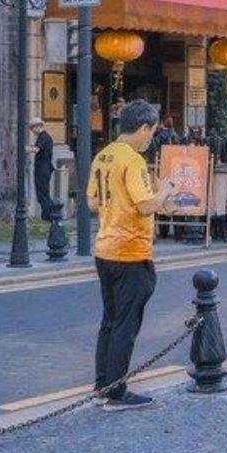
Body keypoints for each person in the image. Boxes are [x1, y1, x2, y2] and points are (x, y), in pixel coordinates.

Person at [87, 100, 180, 410]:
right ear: (143, 128)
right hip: (130, 251)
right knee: (126, 325)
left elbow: (92, 202)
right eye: (151, 132)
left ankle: (103, 385)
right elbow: (146, 206)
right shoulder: (133, 160)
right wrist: (165, 189)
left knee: (110, 321)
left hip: (105, 249)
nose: (151, 138)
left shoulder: (104, 155)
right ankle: (116, 392)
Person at [30, 119, 55, 221]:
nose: (32, 131)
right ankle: (50, 214)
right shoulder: (44, 137)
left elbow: (36, 149)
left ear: (37, 127)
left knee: (42, 194)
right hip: (44, 168)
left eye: (32, 128)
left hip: (42, 169)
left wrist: (23, 149)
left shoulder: (43, 137)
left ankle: (48, 216)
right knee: (43, 193)